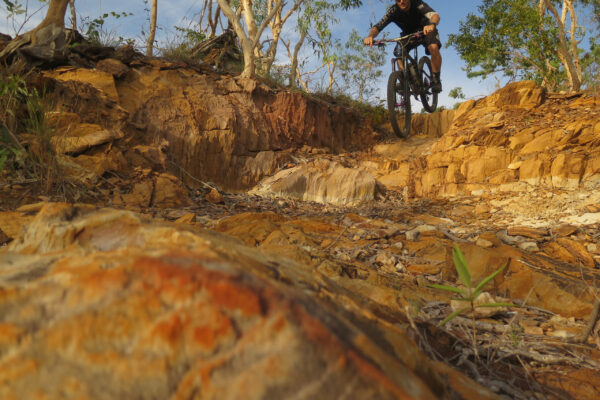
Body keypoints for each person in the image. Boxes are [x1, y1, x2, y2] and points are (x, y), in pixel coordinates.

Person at [364, 0, 443, 93]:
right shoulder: (393, 10)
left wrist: (432, 24)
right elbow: (377, 27)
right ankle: (405, 81)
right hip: (408, 35)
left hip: (426, 30)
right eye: (398, 0)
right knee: (399, 54)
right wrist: (370, 36)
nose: (401, 1)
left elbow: (435, 16)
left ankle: (436, 80)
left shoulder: (417, 3)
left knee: (433, 47)